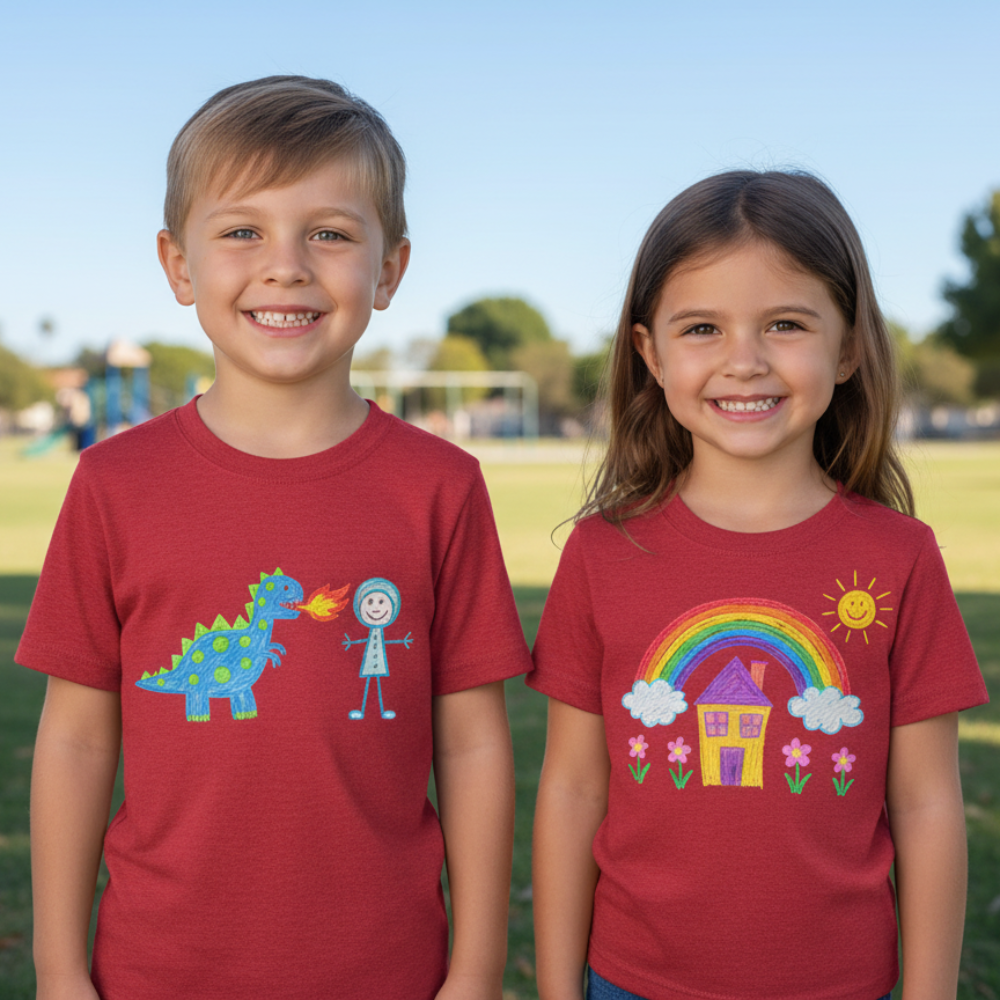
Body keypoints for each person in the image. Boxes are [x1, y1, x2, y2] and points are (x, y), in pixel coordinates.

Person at [19, 75, 531, 1000]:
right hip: (155, 970)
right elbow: (77, 741)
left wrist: (479, 969)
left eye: (329, 233)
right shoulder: (112, 485)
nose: (286, 265)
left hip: (390, 970)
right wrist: (58, 971)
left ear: (390, 269)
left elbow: (472, 745)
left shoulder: (441, 487)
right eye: (242, 230)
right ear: (179, 265)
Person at [529, 170, 988, 1000]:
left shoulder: (900, 557)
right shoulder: (602, 554)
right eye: (702, 327)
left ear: (848, 347)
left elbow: (926, 807)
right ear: (651, 354)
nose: (744, 362)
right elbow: (571, 788)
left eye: (785, 324)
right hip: (633, 984)